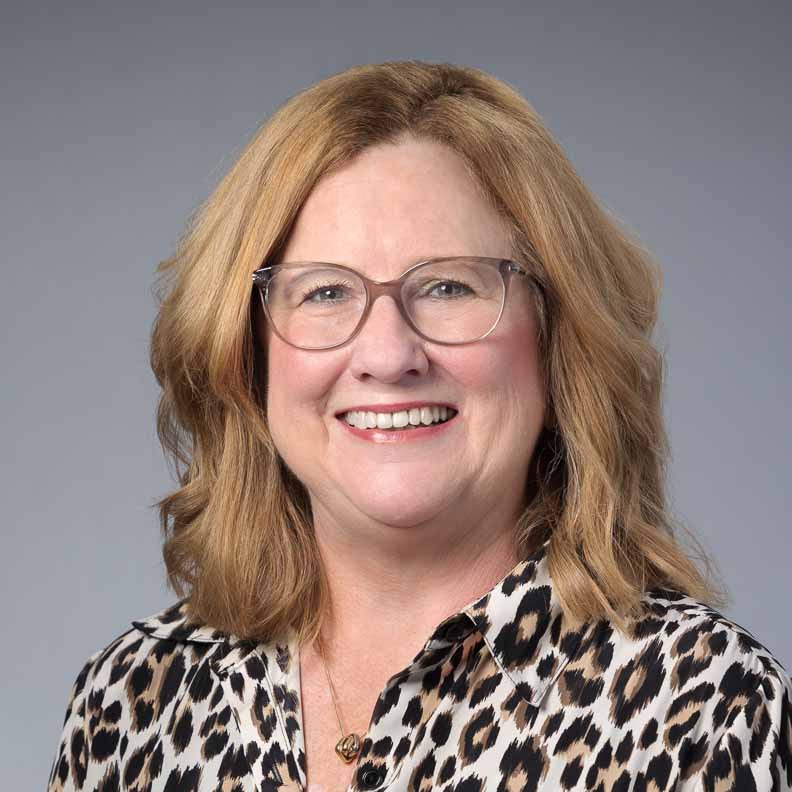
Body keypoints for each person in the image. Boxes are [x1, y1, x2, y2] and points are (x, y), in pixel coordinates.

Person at [47, 61, 791, 792]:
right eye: (326, 292)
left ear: (558, 333)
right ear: (247, 353)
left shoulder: (702, 706)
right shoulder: (136, 697)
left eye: (446, 286)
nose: (387, 354)